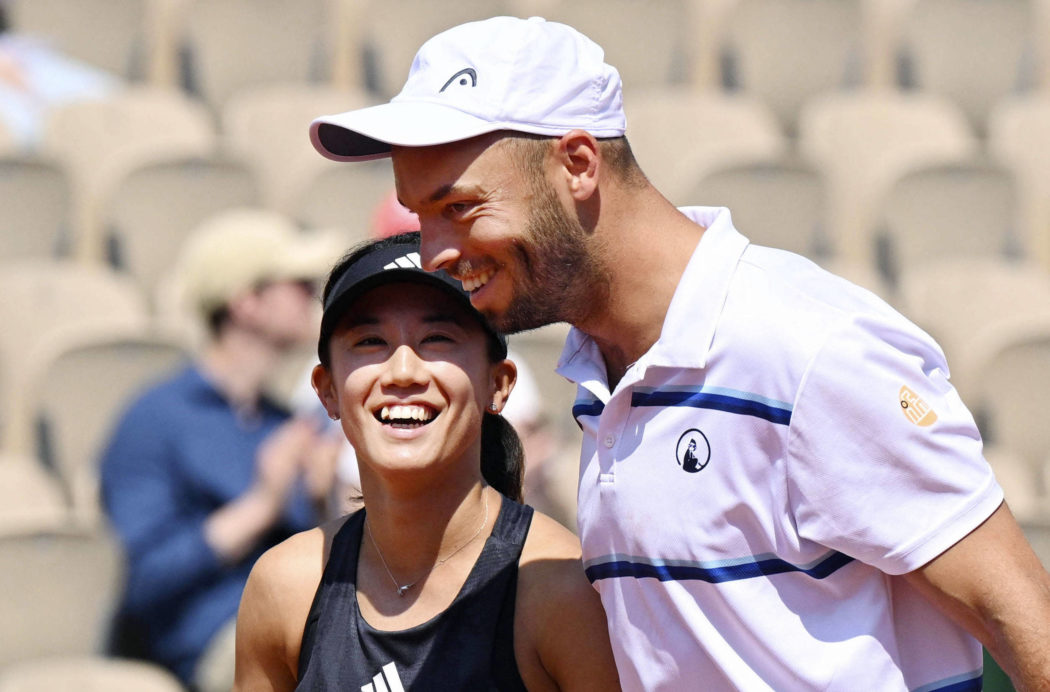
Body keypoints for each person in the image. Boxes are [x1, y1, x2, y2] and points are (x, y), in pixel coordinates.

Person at [306, 16, 1050, 692]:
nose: (432, 252)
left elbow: (1024, 623)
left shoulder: (808, 345)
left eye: (459, 207)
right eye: (421, 215)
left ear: (576, 164)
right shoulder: (600, 370)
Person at [233, 232, 619, 690]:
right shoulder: (285, 586)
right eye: (370, 341)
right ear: (328, 390)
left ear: (498, 384)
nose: (402, 372)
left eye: (437, 338)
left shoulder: (562, 587)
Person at [100, 208, 343, 691]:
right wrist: (259, 505)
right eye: (297, 284)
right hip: (218, 644)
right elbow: (139, 581)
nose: (313, 298)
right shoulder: (155, 418)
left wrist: (322, 502)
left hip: (305, 620)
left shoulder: (282, 420)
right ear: (247, 303)